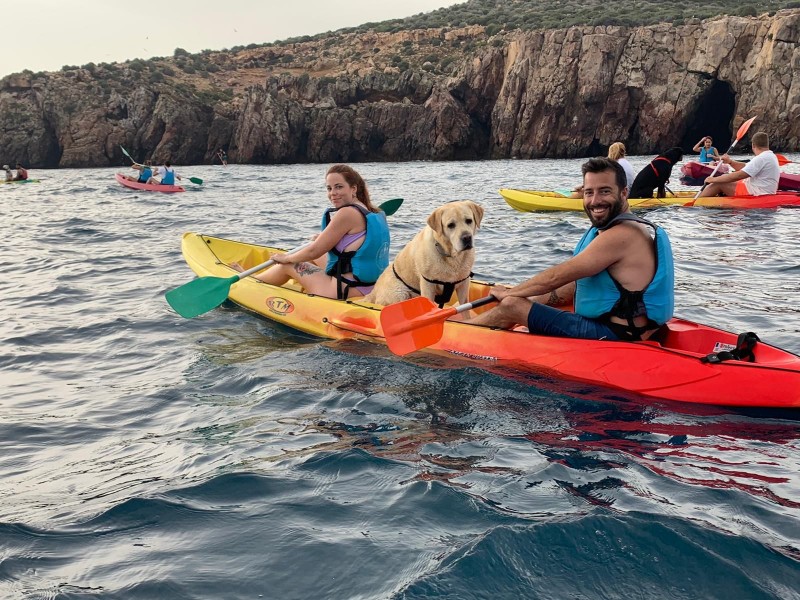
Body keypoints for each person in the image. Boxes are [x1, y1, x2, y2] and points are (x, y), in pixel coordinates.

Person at [466, 157, 674, 342]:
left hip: (616, 335)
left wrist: (510, 294)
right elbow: (573, 284)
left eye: (605, 191)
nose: (595, 201)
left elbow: (555, 277)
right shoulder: (627, 226)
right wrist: (529, 299)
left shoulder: (622, 234)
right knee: (523, 299)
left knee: (511, 305)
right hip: (631, 329)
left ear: (624, 193)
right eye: (589, 192)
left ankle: (460, 332)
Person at [231, 164, 390, 300]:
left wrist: (286, 258)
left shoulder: (347, 213)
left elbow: (314, 251)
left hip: (344, 289)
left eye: (339, 187)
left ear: (353, 188)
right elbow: (356, 244)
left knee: (289, 264)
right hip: (369, 286)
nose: (333, 193)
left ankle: (252, 280)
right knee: (311, 248)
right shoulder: (372, 211)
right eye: (329, 188)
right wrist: (321, 239)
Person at [698, 131, 779, 197]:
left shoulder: (761, 158)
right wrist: (730, 162)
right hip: (760, 189)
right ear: (767, 145)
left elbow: (739, 175)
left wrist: (713, 180)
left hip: (757, 192)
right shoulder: (770, 155)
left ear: (753, 145)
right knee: (723, 177)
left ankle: (699, 199)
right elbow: (745, 167)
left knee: (719, 183)